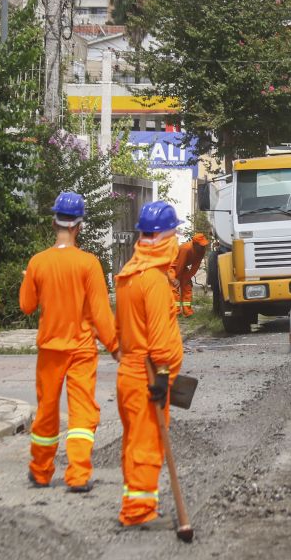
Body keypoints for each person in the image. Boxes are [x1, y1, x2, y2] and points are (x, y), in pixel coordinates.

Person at [18, 191, 118, 492]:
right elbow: (100, 313)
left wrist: (28, 278)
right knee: (82, 412)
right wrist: (115, 346)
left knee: (46, 411)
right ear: (79, 226)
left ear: (54, 223)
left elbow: (26, 306)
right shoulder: (88, 264)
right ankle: (77, 475)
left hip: (50, 349)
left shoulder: (38, 262)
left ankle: (40, 471)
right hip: (82, 350)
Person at [114, 201, 184, 527]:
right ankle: (138, 511)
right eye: (176, 234)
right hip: (149, 374)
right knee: (146, 443)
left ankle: (136, 501)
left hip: (130, 370)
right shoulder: (153, 281)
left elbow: (122, 330)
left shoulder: (129, 275)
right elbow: (158, 339)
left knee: (133, 442)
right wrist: (164, 375)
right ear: (165, 238)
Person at [170, 233, 208, 317]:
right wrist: (176, 279)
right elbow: (180, 263)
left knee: (187, 287)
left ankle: (187, 311)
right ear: (194, 244)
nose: (203, 247)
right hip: (172, 267)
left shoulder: (201, 251)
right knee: (174, 287)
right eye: (201, 245)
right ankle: (176, 312)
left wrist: (188, 277)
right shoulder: (186, 248)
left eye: (204, 245)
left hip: (182, 267)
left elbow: (195, 266)